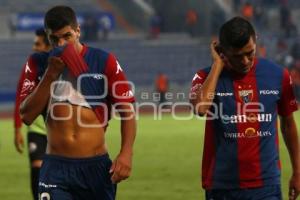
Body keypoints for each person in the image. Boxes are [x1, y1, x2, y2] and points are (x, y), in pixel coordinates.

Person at [18, 5, 136, 200]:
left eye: (67, 36)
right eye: (54, 39)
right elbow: (27, 116)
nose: (61, 44)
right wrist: (50, 74)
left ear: (78, 31)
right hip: (55, 169)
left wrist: (126, 152)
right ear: (48, 38)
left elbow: (128, 110)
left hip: (95, 168)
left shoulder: (103, 60)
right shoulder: (37, 63)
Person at [189, 17, 300, 200]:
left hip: (266, 184)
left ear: (255, 39)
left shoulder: (278, 75)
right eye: (237, 56)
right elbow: (200, 108)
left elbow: (288, 125)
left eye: (250, 53)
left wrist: (297, 171)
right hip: (222, 185)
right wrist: (217, 65)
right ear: (222, 51)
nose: (245, 61)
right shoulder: (204, 76)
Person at [14, 28, 51, 200]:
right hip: (36, 130)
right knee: (37, 168)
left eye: (38, 44)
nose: (34, 47)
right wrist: (17, 129)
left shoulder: (62, 68)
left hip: (57, 131)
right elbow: (19, 98)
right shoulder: (30, 67)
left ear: (48, 45)